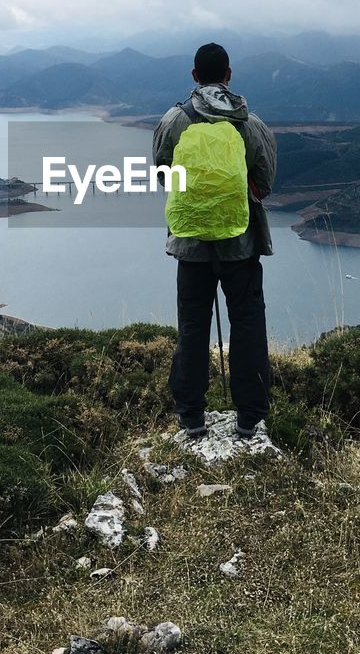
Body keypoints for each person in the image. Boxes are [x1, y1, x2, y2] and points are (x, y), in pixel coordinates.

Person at [152, 42, 276, 439]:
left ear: (194, 76)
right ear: (228, 74)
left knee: (192, 326)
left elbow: (163, 175)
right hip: (240, 244)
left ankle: (191, 418)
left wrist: (197, 201)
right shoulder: (249, 123)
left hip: (190, 246)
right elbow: (265, 181)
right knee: (248, 323)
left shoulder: (174, 121)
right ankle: (250, 419)